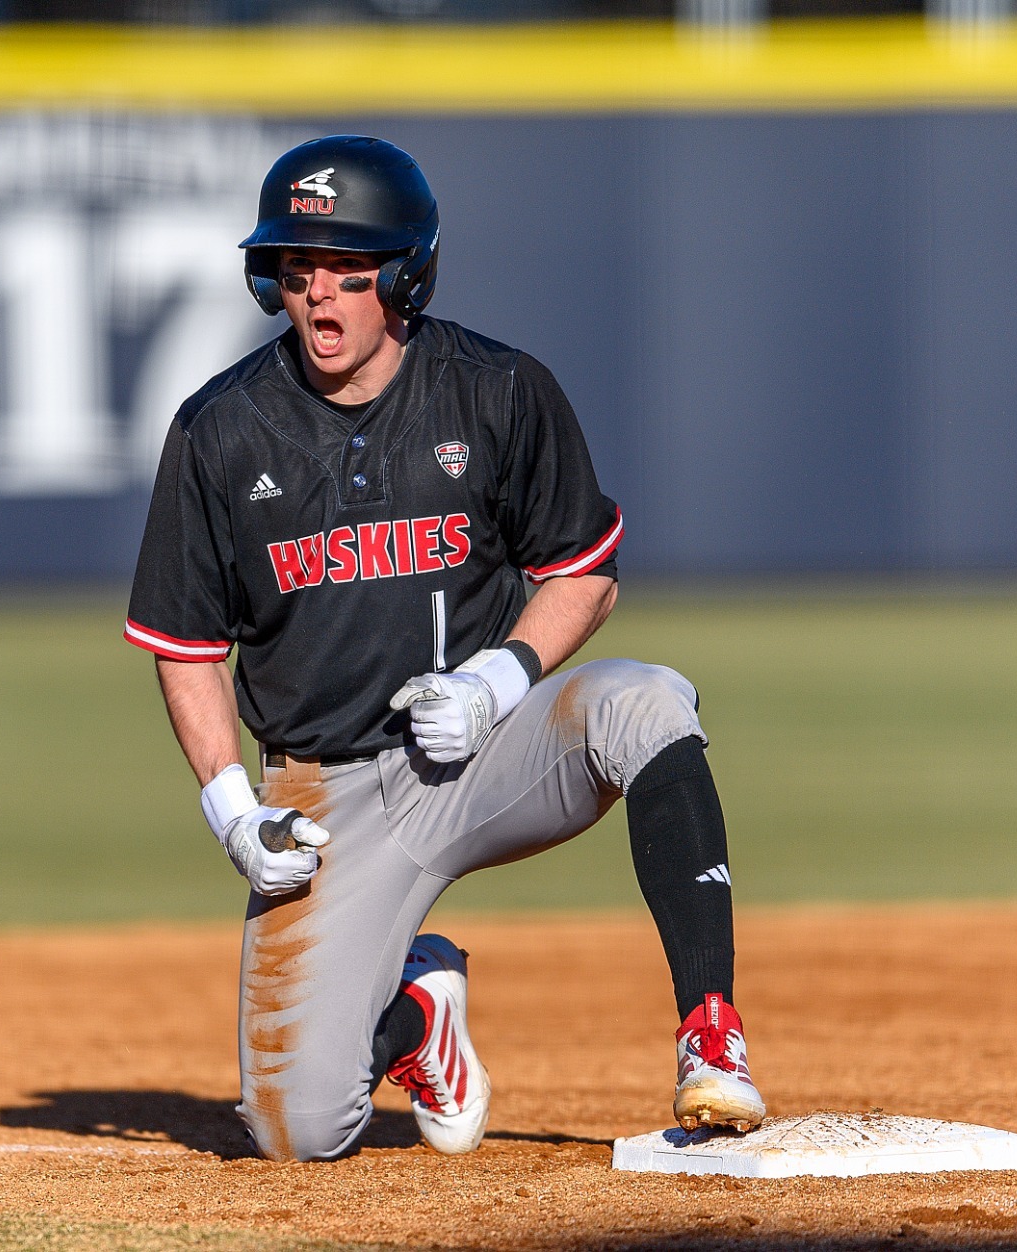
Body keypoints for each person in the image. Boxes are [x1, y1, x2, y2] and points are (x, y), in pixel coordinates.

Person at [123, 134, 766, 1163]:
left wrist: (492, 678)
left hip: (483, 747)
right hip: (324, 796)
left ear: (405, 277)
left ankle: (710, 1031)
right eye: (297, 273)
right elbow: (185, 644)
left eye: (348, 273)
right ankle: (422, 1012)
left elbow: (583, 572)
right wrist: (232, 807)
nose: (320, 299)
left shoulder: (497, 392)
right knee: (299, 1129)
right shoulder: (220, 432)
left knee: (645, 701)